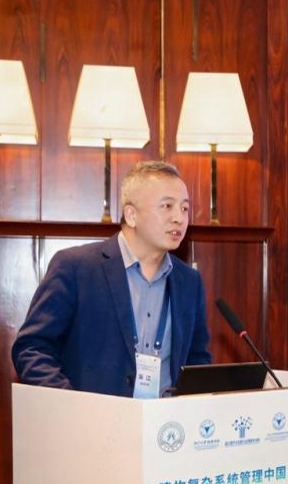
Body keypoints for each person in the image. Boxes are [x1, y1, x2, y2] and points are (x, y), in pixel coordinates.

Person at [12, 161, 212, 397]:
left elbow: (197, 361)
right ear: (131, 215)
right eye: (167, 206)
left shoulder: (189, 282)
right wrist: (70, 403)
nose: (179, 218)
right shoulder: (76, 267)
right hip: (90, 417)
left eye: (185, 208)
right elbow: (32, 348)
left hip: (165, 419)